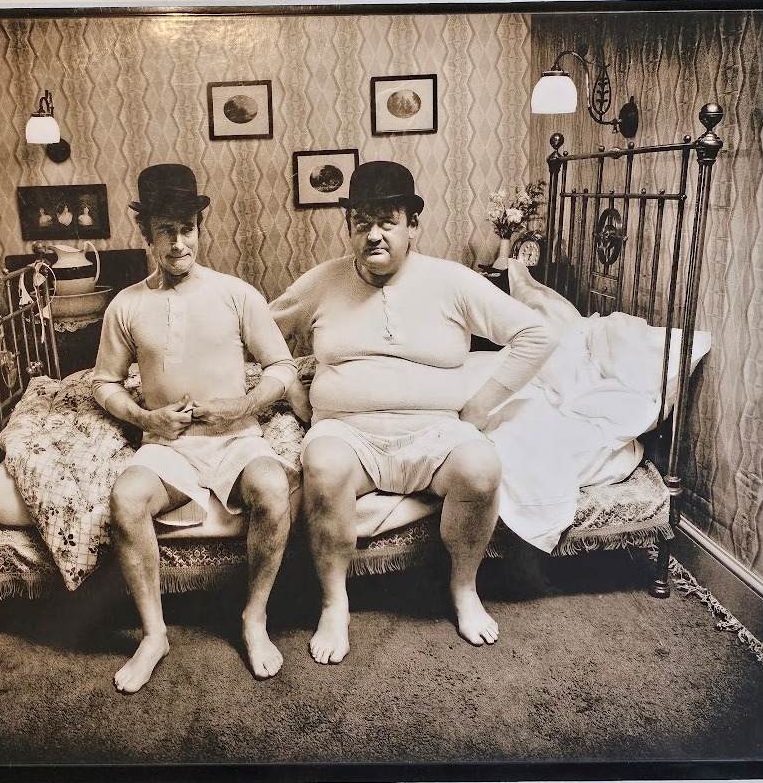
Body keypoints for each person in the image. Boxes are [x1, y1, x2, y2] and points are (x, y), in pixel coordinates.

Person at [271, 161, 558, 665]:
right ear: (348, 228)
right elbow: (259, 330)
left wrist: (477, 408)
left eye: (388, 221)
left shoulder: (452, 281)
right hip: (348, 434)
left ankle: (464, 589)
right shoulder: (322, 282)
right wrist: (293, 388)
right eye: (362, 222)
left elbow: (537, 334)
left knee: (482, 467)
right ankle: (335, 603)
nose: (374, 235)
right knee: (322, 465)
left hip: (435, 434)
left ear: (413, 226)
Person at [93, 164, 298, 693]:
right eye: (166, 231)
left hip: (235, 439)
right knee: (126, 497)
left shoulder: (237, 294)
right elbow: (104, 383)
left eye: (187, 229)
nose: (179, 243)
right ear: (145, 233)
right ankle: (154, 634)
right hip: (169, 445)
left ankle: (254, 616)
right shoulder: (126, 304)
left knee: (274, 488)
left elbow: (282, 369)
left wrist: (242, 405)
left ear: (199, 229)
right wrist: (145, 418)